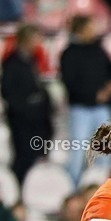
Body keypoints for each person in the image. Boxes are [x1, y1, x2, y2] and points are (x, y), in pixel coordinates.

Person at [61, 15, 111, 187]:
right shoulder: (69, 53)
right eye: (90, 26)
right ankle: (72, 189)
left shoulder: (98, 49)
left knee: (106, 150)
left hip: (102, 108)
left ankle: (103, 188)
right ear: (81, 29)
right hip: (80, 109)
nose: (94, 30)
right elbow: (70, 83)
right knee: (78, 152)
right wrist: (93, 95)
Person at [1, 24, 52, 183]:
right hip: (22, 120)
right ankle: (18, 189)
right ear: (27, 39)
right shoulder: (12, 63)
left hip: (38, 118)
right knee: (24, 157)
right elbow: (9, 93)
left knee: (39, 155)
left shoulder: (32, 60)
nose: (39, 42)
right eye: (36, 38)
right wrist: (27, 108)